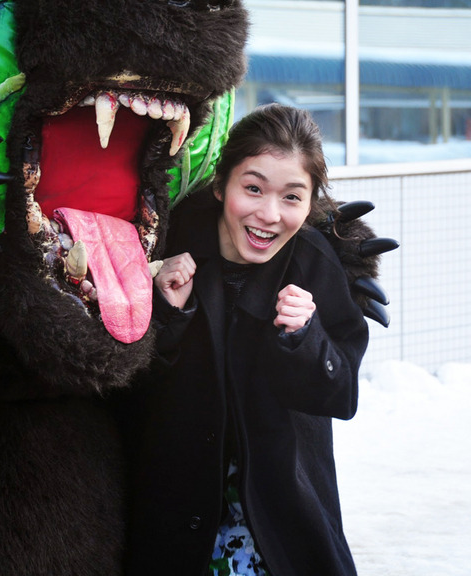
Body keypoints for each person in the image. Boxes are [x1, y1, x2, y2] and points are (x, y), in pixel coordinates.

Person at [118, 103, 369, 576]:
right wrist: (168, 317)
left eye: (292, 197)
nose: (269, 214)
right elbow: (124, 393)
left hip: (282, 519)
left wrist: (306, 337)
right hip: (177, 511)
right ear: (221, 185)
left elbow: (344, 392)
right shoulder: (167, 245)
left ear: (311, 203)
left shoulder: (312, 262)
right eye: (253, 188)